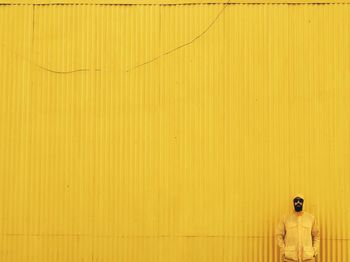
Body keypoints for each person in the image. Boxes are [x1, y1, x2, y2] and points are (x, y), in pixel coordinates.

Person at [275, 193, 320, 262]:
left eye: (300, 201)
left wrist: (314, 251)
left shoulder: (310, 218)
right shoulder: (286, 218)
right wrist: (284, 251)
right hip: (290, 258)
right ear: (293, 203)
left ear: (303, 202)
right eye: (296, 201)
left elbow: (316, 236)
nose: (298, 203)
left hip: (308, 258)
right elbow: (278, 235)